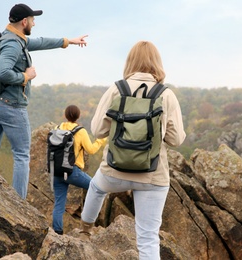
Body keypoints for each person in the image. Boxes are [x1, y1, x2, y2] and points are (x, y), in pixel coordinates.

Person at [79, 41, 186, 259]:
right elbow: (176, 140)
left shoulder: (116, 89)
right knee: (148, 238)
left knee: (96, 187)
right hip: (152, 176)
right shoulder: (166, 95)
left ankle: (84, 231)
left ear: (130, 62)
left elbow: (98, 130)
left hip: (114, 171)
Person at [0, 3, 88, 199]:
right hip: (11, 107)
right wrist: (25, 76)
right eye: (33, 20)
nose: (34, 24)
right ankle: (19, 204)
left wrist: (69, 41)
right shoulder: (13, 43)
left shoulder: (12, 38)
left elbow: (41, 42)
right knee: (21, 155)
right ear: (24, 21)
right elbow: (1, 72)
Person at [52, 105, 106, 235]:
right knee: (96, 187)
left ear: (65, 115)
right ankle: (89, 223)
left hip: (57, 171)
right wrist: (102, 140)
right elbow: (91, 150)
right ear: (78, 116)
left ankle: (57, 232)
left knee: (59, 203)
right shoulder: (80, 131)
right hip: (72, 172)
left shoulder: (57, 128)